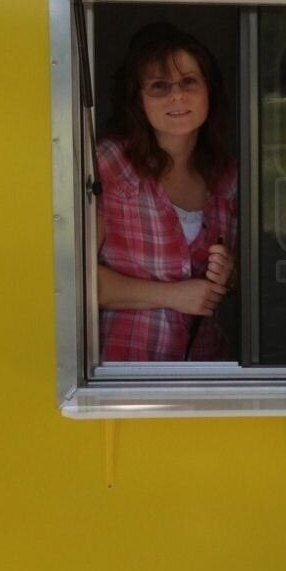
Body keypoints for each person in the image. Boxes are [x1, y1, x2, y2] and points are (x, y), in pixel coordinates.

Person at [96, 22, 237, 362]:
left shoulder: (227, 175)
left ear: (209, 91)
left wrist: (229, 273)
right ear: (138, 100)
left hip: (203, 366)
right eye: (159, 86)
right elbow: (72, 281)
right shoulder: (108, 163)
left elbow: (233, 283)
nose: (177, 95)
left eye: (189, 81)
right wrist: (172, 296)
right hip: (125, 367)